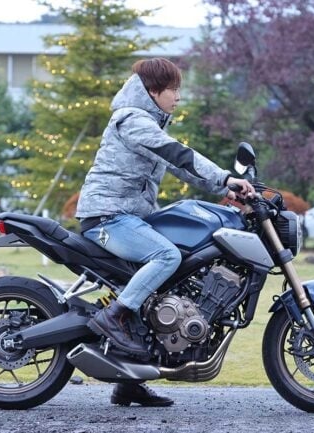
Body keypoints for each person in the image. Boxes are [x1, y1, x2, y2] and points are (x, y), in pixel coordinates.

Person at [76, 58, 254, 407]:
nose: (178, 97)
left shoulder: (146, 122)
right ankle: (114, 316)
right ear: (153, 90)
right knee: (167, 255)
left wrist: (227, 189)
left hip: (128, 216)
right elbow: (178, 154)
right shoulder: (132, 120)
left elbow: (180, 166)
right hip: (107, 218)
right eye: (173, 89)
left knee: (171, 278)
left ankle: (130, 383)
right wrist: (225, 177)